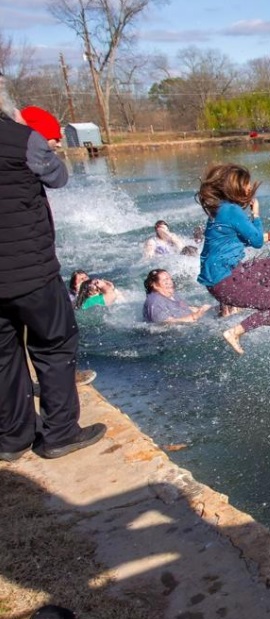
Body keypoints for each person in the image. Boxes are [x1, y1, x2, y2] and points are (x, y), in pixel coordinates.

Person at [0, 82, 105, 461]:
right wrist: (18, 124)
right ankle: (59, 433)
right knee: (54, 345)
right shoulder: (20, 138)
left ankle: (12, 439)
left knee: (3, 356)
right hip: (30, 270)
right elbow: (57, 177)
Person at [195, 163, 270, 355]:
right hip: (224, 281)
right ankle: (234, 332)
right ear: (236, 186)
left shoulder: (221, 210)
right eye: (246, 183)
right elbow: (255, 242)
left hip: (223, 276)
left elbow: (235, 241)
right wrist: (256, 214)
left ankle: (263, 311)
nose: (249, 187)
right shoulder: (232, 211)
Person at [142, 269, 212, 324]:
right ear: (154, 285)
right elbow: (164, 324)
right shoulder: (155, 302)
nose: (170, 282)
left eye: (170, 279)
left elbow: (185, 309)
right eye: (165, 280)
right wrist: (195, 316)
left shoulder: (172, 295)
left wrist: (207, 310)